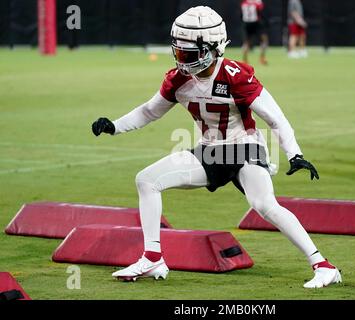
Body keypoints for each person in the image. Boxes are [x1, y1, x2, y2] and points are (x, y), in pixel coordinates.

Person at [91, 6, 341, 288]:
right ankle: (152, 258)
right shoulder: (178, 79)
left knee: (264, 205)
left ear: (213, 47)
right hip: (210, 149)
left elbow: (275, 117)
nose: (183, 60)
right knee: (147, 180)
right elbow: (150, 111)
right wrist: (114, 125)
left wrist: (295, 154)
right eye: (180, 52)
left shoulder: (236, 75)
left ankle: (324, 266)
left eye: (190, 54)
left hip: (244, 147)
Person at [240, 0, 269, 65]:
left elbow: (242, 14)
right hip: (256, 23)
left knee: (246, 42)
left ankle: (244, 60)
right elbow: (261, 11)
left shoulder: (244, 2)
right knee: (264, 40)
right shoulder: (258, 2)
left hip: (246, 24)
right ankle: (262, 58)